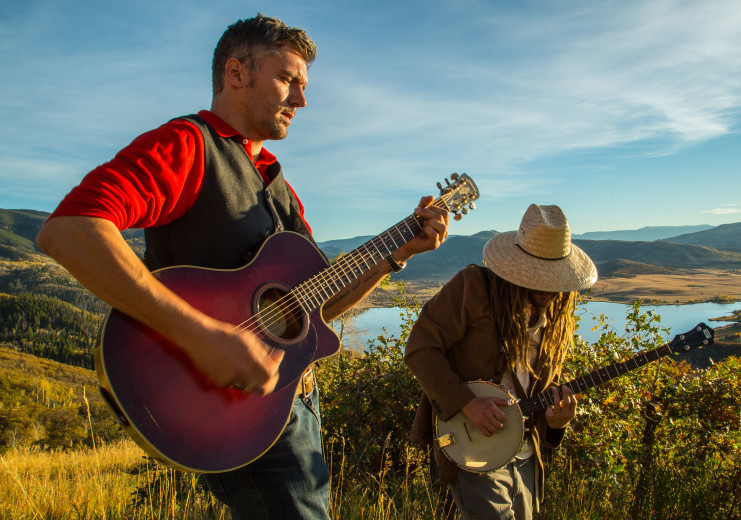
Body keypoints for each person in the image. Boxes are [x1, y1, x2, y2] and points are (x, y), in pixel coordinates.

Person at [36, 14, 449, 520]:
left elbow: (314, 306)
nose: (301, 100)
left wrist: (397, 252)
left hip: (289, 406)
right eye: (288, 80)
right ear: (236, 73)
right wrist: (203, 336)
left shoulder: (278, 183)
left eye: (303, 86)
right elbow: (70, 230)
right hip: (227, 405)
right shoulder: (188, 146)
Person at [404, 204, 597, 519]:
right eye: (537, 277)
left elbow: (539, 387)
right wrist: (467, 402)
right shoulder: (474, 287)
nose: (547, 288)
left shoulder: (559, 311)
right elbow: (420, 349)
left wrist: (555, 423)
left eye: (553, 279)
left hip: (525, 454)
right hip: (473, 447)